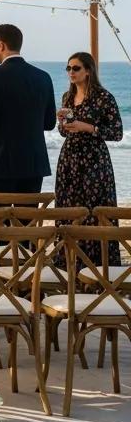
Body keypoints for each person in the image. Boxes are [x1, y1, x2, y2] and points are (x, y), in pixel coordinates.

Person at [0, 24, 55, 194]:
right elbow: (50, 123)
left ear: (1, 45)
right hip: (33, 165)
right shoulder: (43, 77)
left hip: (0, 164)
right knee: (26, 220)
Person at [55, 52, 123, 265]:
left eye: (75, 68)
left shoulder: (104, 97)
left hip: (94, 161)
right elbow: (64, 133)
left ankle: (97, 265)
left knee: (95, 211)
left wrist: (89, 127)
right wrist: (62, 124)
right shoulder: (67, 97)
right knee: (68, 208)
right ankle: (68, 261)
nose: (71, 73)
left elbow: (117, 132)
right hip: (69, 159)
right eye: (68, 68)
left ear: (88, 71)